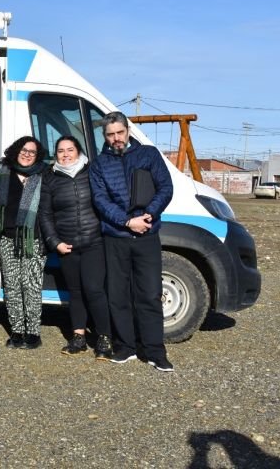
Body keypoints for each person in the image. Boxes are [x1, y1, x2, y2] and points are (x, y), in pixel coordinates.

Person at [89, 111, 174, 372]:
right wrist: (127, 222)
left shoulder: (148, 154)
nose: (116, 138)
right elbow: (100, 200)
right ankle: (125, 347)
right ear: (104, 136)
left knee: (149, 294)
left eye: (120, 133)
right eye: (110, 134)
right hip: (116, 236)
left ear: (128, 131)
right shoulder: (99, 164)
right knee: (118, 295)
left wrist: (148, 215)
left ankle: (155, 351)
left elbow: (165, 188)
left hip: (147, 234)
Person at [39, 135, 112, 359]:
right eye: (61, 151)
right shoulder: (49, 178)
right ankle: (78, 337)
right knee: (76, 292)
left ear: (78, 151)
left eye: (70, 149)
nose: (65, 154)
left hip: (93, 242)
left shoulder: (92, 172)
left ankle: (104, 337)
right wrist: (55, 242)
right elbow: (45, 214)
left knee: (95, 290)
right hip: (67, 245)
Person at [0, 136, 47, 350]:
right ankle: (17, 330)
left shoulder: (44, 174)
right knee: (12, 286)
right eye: (24, 149)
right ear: (16, 150)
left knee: (31, 286)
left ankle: (33, 332)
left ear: (38, 155)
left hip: (33, 239)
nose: (27, 154)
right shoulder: (2, 170)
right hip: (6, 238)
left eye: (32, 151)